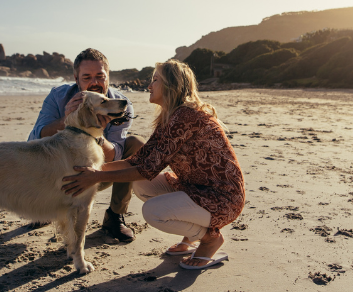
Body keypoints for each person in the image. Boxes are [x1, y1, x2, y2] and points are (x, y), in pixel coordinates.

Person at [62, 60, 245, 270]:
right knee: (141, 185)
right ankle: (192, 234)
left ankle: (209, 238)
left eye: (155, 80)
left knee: (153, 212)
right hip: (196, 189)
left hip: (222, 198)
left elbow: (146, 170)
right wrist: (93, 170)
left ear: (171, 85)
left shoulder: (185, 116)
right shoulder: (170, 116)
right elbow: (138, 160)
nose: (149, 86)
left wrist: (95, 177)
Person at [28, 48, 145, 242]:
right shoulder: (58, 96)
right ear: (76, 78)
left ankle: (114, 217)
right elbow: (36, 138)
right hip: (57, 171)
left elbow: (116, 156)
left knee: (136, 144)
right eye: (87, 77)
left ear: (108, 76)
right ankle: (46, 208)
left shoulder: (119, 104)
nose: (94, 83)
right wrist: (67, 118)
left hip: (97, 171)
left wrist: (97, 133)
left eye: (100, 76)